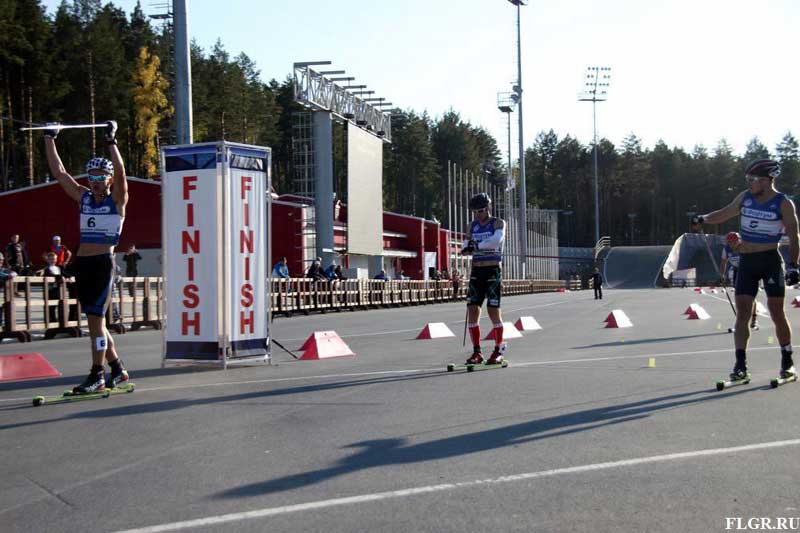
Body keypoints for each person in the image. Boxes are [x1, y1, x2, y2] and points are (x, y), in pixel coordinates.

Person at [44, 120, 130, 394]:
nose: (94, 182)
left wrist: (111, 142)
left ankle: (97, 374)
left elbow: (121, 172)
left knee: (95, 322)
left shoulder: (116, 200)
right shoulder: (82, 197)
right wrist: (49, 138)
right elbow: (59, 173)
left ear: (108, 180)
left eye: (99, 177)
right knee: (96, 323)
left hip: (103, 264)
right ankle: (117, 368)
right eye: (90, 177)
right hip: (82, 264)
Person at [693, 159, 797, 382]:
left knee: (777, 313)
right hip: (747, 261)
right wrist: (704, 218)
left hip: (770, 260)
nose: (749, 184)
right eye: (747, 180)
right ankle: (740, 365)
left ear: (767, 180)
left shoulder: (783, 203)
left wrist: (794, 265)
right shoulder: (745, 197)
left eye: (753, 180)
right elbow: (725, 212)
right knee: (742, 314)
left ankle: (787, 361)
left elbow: (795, 235)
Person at [461, 192, 506, 365]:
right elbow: (467, 243)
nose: (477, 215)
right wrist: (466, 248)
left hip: (493, 270)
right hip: (476, 271)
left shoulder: (498, 222)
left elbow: (496, 240)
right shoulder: (471, 226)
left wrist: (476, 246)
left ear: (487, 208)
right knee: (473, 309)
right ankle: (477, 352)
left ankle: (498, 349)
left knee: (493, 310)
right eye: (474, 212)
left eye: (480, 211)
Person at [720, 232, 758, 330]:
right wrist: (722, 275)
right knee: (739, 296)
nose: (732, 244)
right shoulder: (726, 249)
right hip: (738, 271)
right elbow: (724, 262)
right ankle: (741, 321)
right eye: (730, 242)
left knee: (750, 297)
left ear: (739, 240)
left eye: (734, 242)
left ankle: (753, 319)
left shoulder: (745, 247)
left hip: (749, 270)